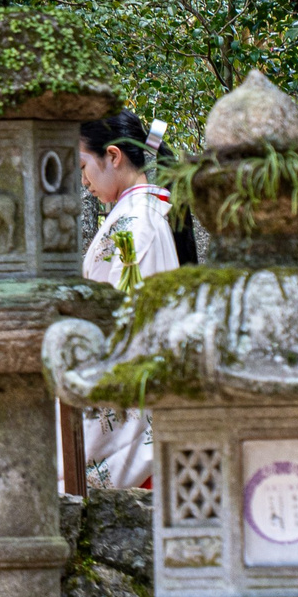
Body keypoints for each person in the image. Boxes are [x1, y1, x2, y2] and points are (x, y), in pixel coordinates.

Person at [78, 112, 178, 489]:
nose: (84, 179)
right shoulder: (137, 215)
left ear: (113, 156)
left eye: (84, 165)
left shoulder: (137, 222)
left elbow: (130, 321)